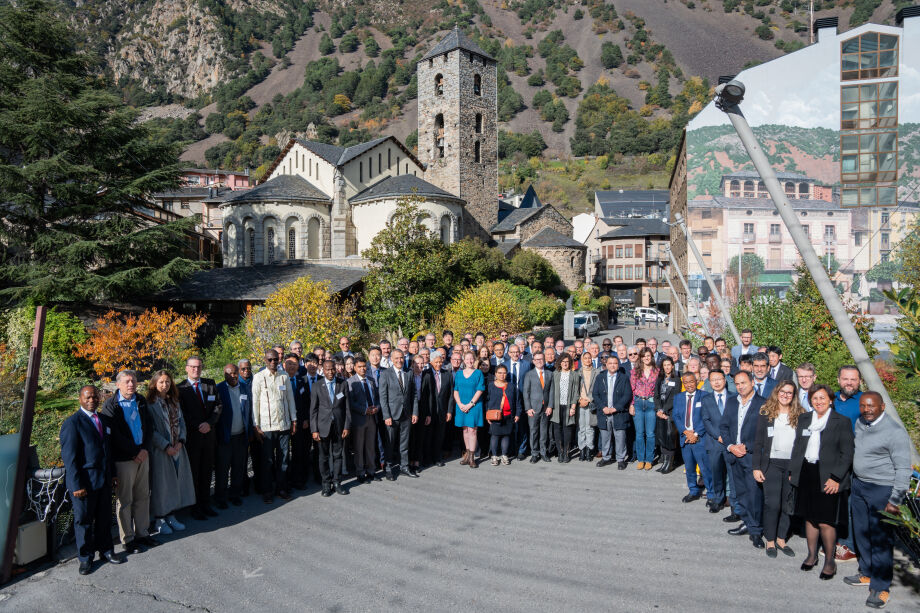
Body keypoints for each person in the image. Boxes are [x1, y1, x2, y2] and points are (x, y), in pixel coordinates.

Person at [847, 392, 913, 609]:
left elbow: (903, 468)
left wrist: (895, 499)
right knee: (861, 533)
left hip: (882, 490)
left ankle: (881, 587)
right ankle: (866, 572)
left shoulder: (895, 432)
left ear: (882, 407)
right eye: (863, 406)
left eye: (871, 406)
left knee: (881, 539)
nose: (867, 410)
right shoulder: (860, 422)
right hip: (859, 486)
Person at [789, 384, 855, 581]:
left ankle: (829, 561)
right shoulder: (805, 419)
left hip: (828, 475)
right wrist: (794, 471)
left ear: (830, 400)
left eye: (822, 398)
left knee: (826, 520)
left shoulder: (840, 421)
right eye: (815, 398)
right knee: (809, 517)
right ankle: (811, 555)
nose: (818, 402)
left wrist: (836, 478)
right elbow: (798, 446)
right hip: (807, 472)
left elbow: (847, 452)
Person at [61, 386, 124, 574]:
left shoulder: (103, 420)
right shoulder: (73, 423)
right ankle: (86, 558)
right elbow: (69, 458)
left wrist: (112, 473)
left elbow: (108, 450)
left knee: (104, 518)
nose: (92, 400)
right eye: (88, 397)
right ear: (80, 398)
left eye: (95, 397)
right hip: (84, 483)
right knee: (84, 521)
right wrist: (76, 485)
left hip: (103, 480)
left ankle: (106, 551)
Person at [100, 370, 157, 553]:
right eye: (127, 381)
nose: (131, 384)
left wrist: (144, 449)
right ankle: (128, 539)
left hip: (143, 456)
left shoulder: (140, 400)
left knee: (143, 497)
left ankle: (142, 533)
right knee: (125, 500)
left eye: (133, 381)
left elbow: (149, 427)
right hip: (125, 460)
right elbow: (114, 436)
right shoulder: (111, 406)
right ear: (118, 384)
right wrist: (134, 452)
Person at [752, 381, 804, 558]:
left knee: (787, 504)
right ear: (777, 392)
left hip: (791, 464)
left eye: (789, 393)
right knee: (772, 504)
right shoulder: (766, 412)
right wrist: (756, 467)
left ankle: (782, 538)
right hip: (772, 464)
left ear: (794, 395)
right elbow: (758, 442)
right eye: (783, 392)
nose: (786, 395)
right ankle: (770, 540)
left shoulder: (801, 414)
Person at [720, 370, 767, 548]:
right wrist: (731, 446)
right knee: (741, 494)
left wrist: (745, 446)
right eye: (737, 384)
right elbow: (724, 427)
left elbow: (764, 434)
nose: (740, 387)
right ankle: (747, 523)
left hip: (752, 457)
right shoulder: (732, 402)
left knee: (754, 495)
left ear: (752, 382)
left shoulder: (763, 404)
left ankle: (756, 531)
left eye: (743, 383)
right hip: (734, 455)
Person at [146, 371, 195, 535]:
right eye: (161, 382)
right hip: (162, 451)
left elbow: (182, 422)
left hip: (178, 448)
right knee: (162, 486)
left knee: (175, 483)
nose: (164, 385)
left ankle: (171, 515)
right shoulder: (150, 404)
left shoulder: (174, 401)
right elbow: (150, 431)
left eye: (167, 382)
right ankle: (160, 518)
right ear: (154, 384)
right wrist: (166, 446)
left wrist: (181, 441)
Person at [177, 356, 222, 519]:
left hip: (209, 436)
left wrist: (209, 423)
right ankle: (195, 507)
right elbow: (182, 413)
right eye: (193, 367)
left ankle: (206, 504)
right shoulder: (180, 388)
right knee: (194, 474)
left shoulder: (210, 384)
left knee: (207, 472)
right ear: (187, 368)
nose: (196, 369)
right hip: (193, 438)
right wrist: (198, 425)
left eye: (199, 367)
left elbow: (218, 405)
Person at [251, 349, 296, 503]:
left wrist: (294, 420)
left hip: (283, 425)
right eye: (270, 360)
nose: (273, 362)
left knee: (283, 459)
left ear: (279, 360)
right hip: (266, 427)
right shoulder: (258, 377)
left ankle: (281, 489)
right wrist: (256, 425)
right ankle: (267, 491)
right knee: (267, 461)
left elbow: (290, 399)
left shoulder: (284, 377)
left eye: (275, 359)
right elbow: (255, 402)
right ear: (265, 360)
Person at [834, 365, 863, 562]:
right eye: (846, 379)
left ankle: (849, 545)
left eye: (853, 379)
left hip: (854, 461)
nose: (849, 383)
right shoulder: (831, 399)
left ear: (859, 381)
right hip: (832, 460)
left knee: (851, 505)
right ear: (839, 380)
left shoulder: (864, 401)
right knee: (834, 503)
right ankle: (836, 540)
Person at [310, 359, 351, 496]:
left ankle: (337, 482)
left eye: (332, 369)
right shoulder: (317, 386)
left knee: (338, 455)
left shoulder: (342, 384)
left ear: (336, 369)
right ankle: (326, 484)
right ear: (323, 369)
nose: (330, 372)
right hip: (322, 427)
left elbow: (347, 407)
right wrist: (314, 429)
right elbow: (313, 410)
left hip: (339, 426)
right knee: (323, 457)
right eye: (327, 369)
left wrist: (346, 426)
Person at [672, 372, 713, 504]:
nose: (689, 384)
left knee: (705, 468)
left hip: (699, 438)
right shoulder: (678, 397)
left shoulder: (704, 396)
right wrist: (685, 432)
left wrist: (695, 434)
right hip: (685, 438)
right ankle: (693, 491)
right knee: (689, 468)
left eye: (691, 381)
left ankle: (712, 495)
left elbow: (706, 417)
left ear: (696, 381)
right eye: (686, 382)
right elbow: (676, 416)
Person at [214, 364, 251, 508]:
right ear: (224, 375)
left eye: (235, 373)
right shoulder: (219, 389)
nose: (233, 376)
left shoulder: (244, 388)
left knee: (238, 468)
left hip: (241, 436)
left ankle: (235, 494)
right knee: (222, 470)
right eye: (229, 374)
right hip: (225, 437)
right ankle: (220, 498)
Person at [700, 369, 736, 512]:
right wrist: (718, 436)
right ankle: (718, 498)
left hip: (731, 442)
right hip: (714, 443)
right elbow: (706, 420)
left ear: (725, 380)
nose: (716, 382)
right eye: (713, 380)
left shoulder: (734, 397)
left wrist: (727, 437)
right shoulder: (706, 399)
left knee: (732, 475)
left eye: (719, 379)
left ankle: (734, 502)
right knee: (716, 473)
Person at [379, 349, 418, 480]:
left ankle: (404, 467)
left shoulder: (409, 373)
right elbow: (383, 397)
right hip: (392, 415)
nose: (399, 360)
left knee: (404, 443)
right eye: (396, 358)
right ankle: (389, 468)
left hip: (406, 414)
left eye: (401, 358)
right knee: (390, 443)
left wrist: (414, 412)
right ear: (391, 359)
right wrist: (386, 416)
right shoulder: (385, 374)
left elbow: (414, 395)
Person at [592, 355, 632, 469]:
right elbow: (595, 394)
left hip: (618, 413)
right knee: (605, 436)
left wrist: (616, 407)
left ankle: (620, 459)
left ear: (618, 365)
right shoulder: (601, 377)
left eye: (615, 363)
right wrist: (603, 407)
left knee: (620, 436)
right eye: (610, 363)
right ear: (606, 365)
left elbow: (627, 395)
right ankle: (606, 457)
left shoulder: (623, 378)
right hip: (604, 412)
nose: (613, 365)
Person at [347, 356, 379, 483]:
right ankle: (360, 473)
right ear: (354, 368)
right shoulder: (350, 382)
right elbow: (351, 402)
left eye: (364, 366)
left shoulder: (371, 380)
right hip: (359, 419)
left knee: (370, 446)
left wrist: (377, 408)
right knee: (359, 448)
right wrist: (364, 410)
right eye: (359, 366)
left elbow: (377, 398)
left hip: (372, 418)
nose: (363, 369)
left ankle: (371, 471)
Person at [453, 350, 486, 468]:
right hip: (461, 405)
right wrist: (460, 404)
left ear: (474, 360)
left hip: (474, 405)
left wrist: (470, 404)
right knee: (465, 430)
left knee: (472, 430)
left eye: (471, 359)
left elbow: (480, 390)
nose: (469, 361)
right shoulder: (459, 374)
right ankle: (467, 454)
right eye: (467, 359)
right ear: (464, 360)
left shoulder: (478, 373)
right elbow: (455, 390)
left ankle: (472, 457)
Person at [630, 348, 658, 470]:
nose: (646, 358)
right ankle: (641, 459)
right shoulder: (635, 371)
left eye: (648, 355)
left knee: (650, 433)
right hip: (638, 402)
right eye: (644, 356)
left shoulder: (657, 371)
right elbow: (631, 389)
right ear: (640, 358)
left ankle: (649, 459)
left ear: (651, 356)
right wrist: (631, 404)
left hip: (651, 403)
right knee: (640, 433)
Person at [522, 352, 553, 463]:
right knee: (534, 432)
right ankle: (534, 453)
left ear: (544, 360)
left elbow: (551, 391)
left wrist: (550, 406)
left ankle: (543, 452)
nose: (539, 361)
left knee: (544, 432)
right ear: (533, 361)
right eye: (537, 359)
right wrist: (528, 408)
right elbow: (526, 393)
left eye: (541, 359)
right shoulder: (529, 374)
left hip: (545, 409)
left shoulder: (549, 374)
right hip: (533, 409)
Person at [485, 364, 519, 465]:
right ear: (495, 374)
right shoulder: (490, 386)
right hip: (494, 416)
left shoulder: (511, 386)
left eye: (504, 373)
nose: (502, 375)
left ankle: (504, 455)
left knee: (506, 436)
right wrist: (487, 414)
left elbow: (517, 401)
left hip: (508, 415)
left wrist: (517, 414)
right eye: (500, 373)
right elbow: (486, 401)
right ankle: (494, 456)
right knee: (495, 436)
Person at [549, 354, 580, 463]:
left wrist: (573, 406)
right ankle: (560, 452)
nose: (565, 363)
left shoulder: (574, 375)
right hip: (557, 406)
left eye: (567, 361)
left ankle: (566, 452)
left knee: (567, 429)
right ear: (559, 363)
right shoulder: (555, 374)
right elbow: (551, 391)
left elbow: (576, 392)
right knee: (557, 429)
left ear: (570, 363)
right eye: (563, 361)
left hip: (568, 406)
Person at [426, 351, 455, 467]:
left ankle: (437, 457)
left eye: (440, 362)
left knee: (439, 436)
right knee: (428, 436)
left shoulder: (447, 374)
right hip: (429, 411)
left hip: (443, 411)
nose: (438, 364)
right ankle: (427, 458)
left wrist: (449, 411)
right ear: (431, 362)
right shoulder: (426, 374)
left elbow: (451, 395)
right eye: (436, 362)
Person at [654, 357, 681, 474]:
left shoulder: (677, 380)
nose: (667, 367)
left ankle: (669, 464)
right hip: (660, 412)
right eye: (665, 365)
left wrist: (664, 410)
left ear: (673, 366)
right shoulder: (660, 379)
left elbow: (675, 397)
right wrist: (659, 409)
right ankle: (664, 462)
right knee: (662, 437)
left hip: (670, 413)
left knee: (670, 438)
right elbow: (656, 396)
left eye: (669, 365)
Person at [410, 354, 432, 471]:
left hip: (423, 410)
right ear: (413, 364)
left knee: (420, 436)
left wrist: (428, 414)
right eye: (417, 363)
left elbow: (429, 396)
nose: (420, 365)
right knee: (410, 437)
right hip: (410, 411)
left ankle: (417, 462)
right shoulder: (408, 375)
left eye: (422, 363)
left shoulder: (426, 376)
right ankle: (410, 461)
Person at [577, 352, 600, 462]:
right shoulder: (578, 372)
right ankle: (582, 449)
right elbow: (575, 388)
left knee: (590, 428)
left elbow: (597, 388)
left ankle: (589, 450)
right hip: (580, 403)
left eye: (589, 358)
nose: (587, 360)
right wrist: (579, 400)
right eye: (585, 358)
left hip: (590, 403)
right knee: (582, 428)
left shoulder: (596, 372)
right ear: (582, 360)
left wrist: (589, 399)